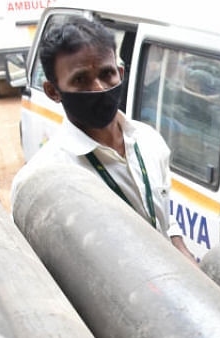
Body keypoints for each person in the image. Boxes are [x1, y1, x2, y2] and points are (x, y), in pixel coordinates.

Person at [12, 19, 190, 257]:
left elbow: (165, 222)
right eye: (80, 79)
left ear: (121, 73)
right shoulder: (41, 179)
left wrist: (185, 257)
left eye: (107, 74)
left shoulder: (149, 141)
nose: (97, 88)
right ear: (53, 91)